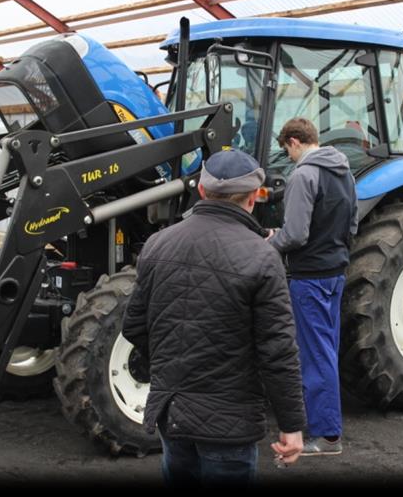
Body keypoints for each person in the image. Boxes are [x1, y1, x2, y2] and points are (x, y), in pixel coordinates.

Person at [122, 149, 306, 487]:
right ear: (253, 199)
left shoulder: (157, 244)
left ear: (203, 191)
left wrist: (170, 370)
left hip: (172, 413)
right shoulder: (263, 257)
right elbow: (278, 352)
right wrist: (292, 426)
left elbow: (133, 326)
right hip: (230, 423)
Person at [266, 117, 358, 456]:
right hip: (335, 271)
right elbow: (352, 223)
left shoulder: (303, 174)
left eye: (286, 150)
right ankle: (324, 422)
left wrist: (266, 246)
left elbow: (297, 235)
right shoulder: (344, 171)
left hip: (310, 277)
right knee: (327, 350)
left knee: (315, 355)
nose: (288, 156)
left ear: (293, 142)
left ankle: (328, 436)